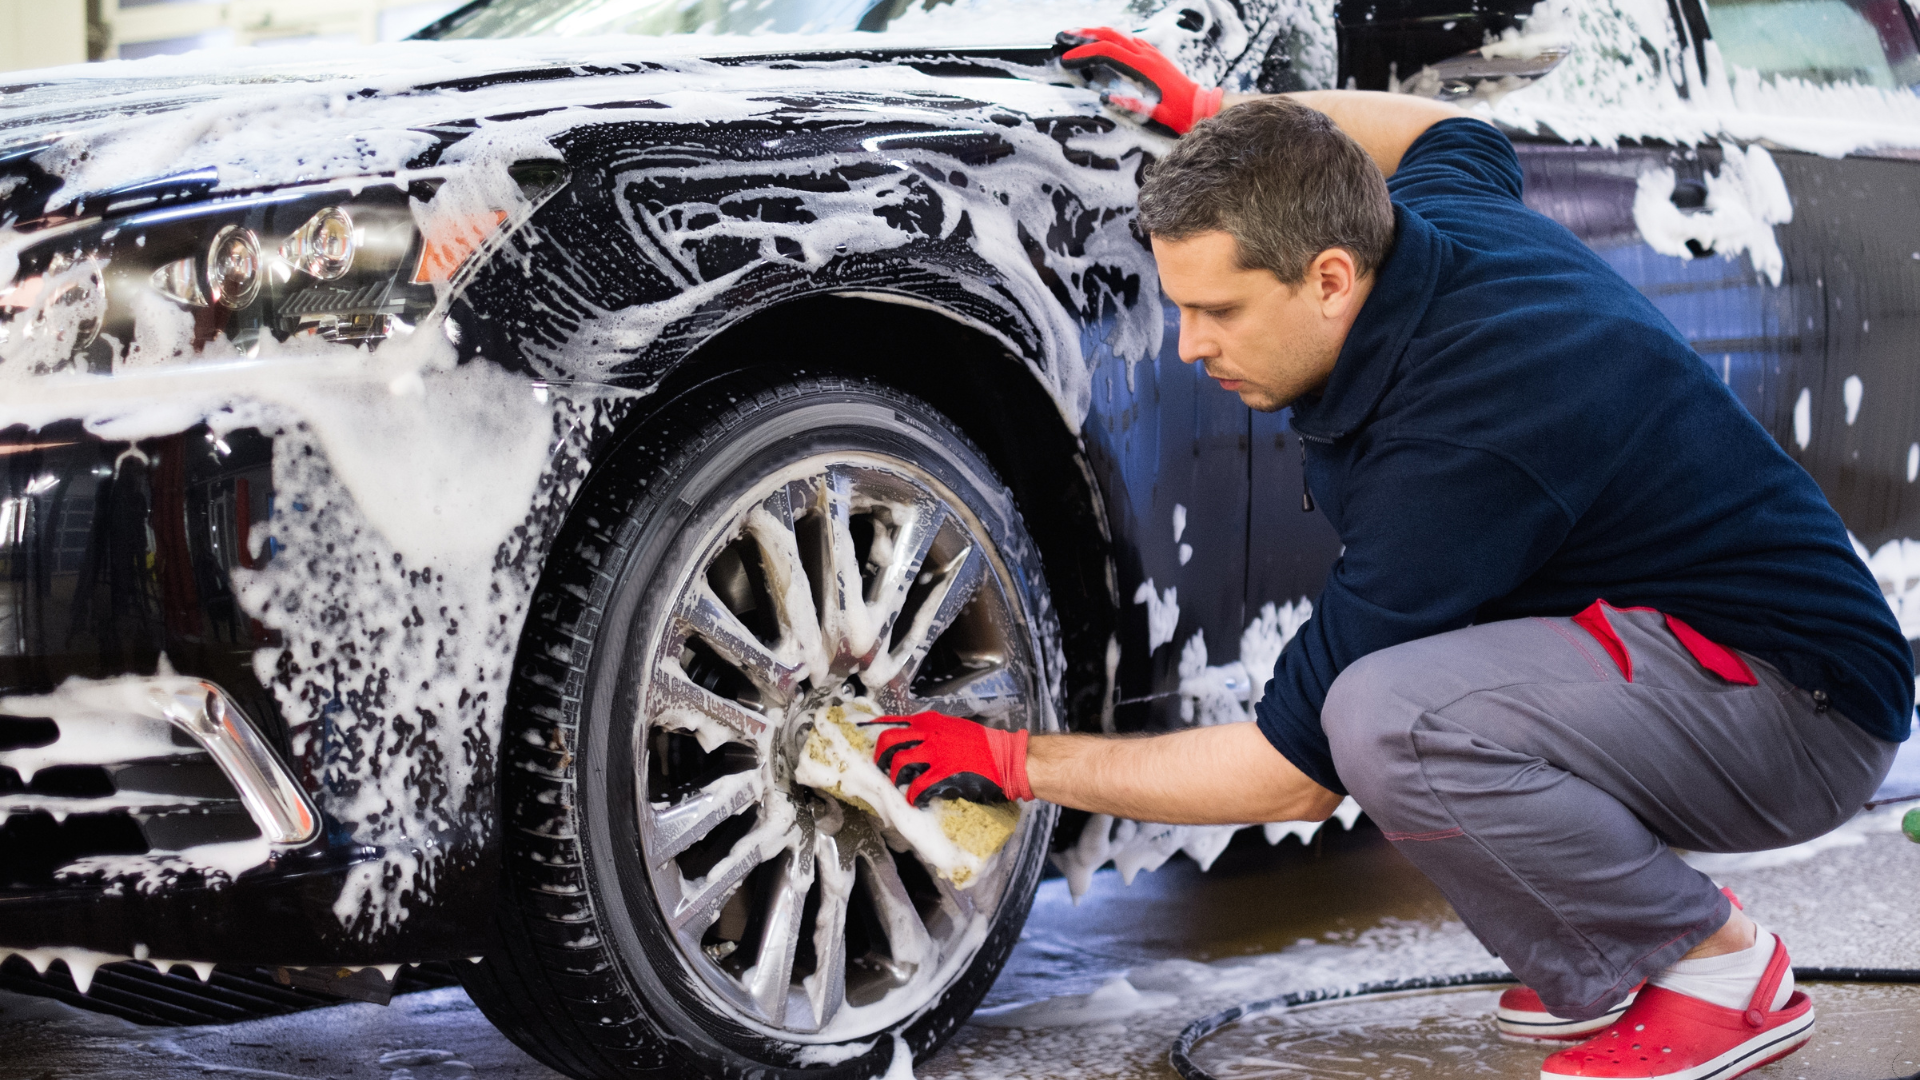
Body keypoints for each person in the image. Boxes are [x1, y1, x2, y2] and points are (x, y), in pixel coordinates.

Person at [868, 26, 1914, 1080]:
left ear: (1329, 279)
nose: (1190, 344)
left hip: (1801, 714)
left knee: (1386, 719)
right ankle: (1615, 952)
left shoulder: (1459, 445)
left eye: (1216, 310)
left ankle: (1721, 971)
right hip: (1699, 655)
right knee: (1396, 698)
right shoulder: (1427, 225)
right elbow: (1455, 128)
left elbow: (1290, 781)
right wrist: (1224, 118)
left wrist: (1017, 762)